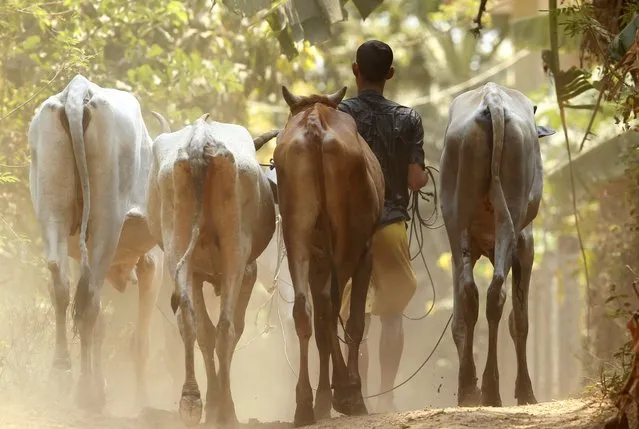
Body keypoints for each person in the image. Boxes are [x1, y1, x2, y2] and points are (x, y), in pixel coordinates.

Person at [338, 39, 428, 413]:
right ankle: (387, 395)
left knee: (352, 317)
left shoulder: (339, 115)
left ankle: (354, 391)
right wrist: (422, 176)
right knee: (391, 315)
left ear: (355, 71)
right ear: (390, 74)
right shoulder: (409, 119)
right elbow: (415, 179)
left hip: (349, 232)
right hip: (391, 225)